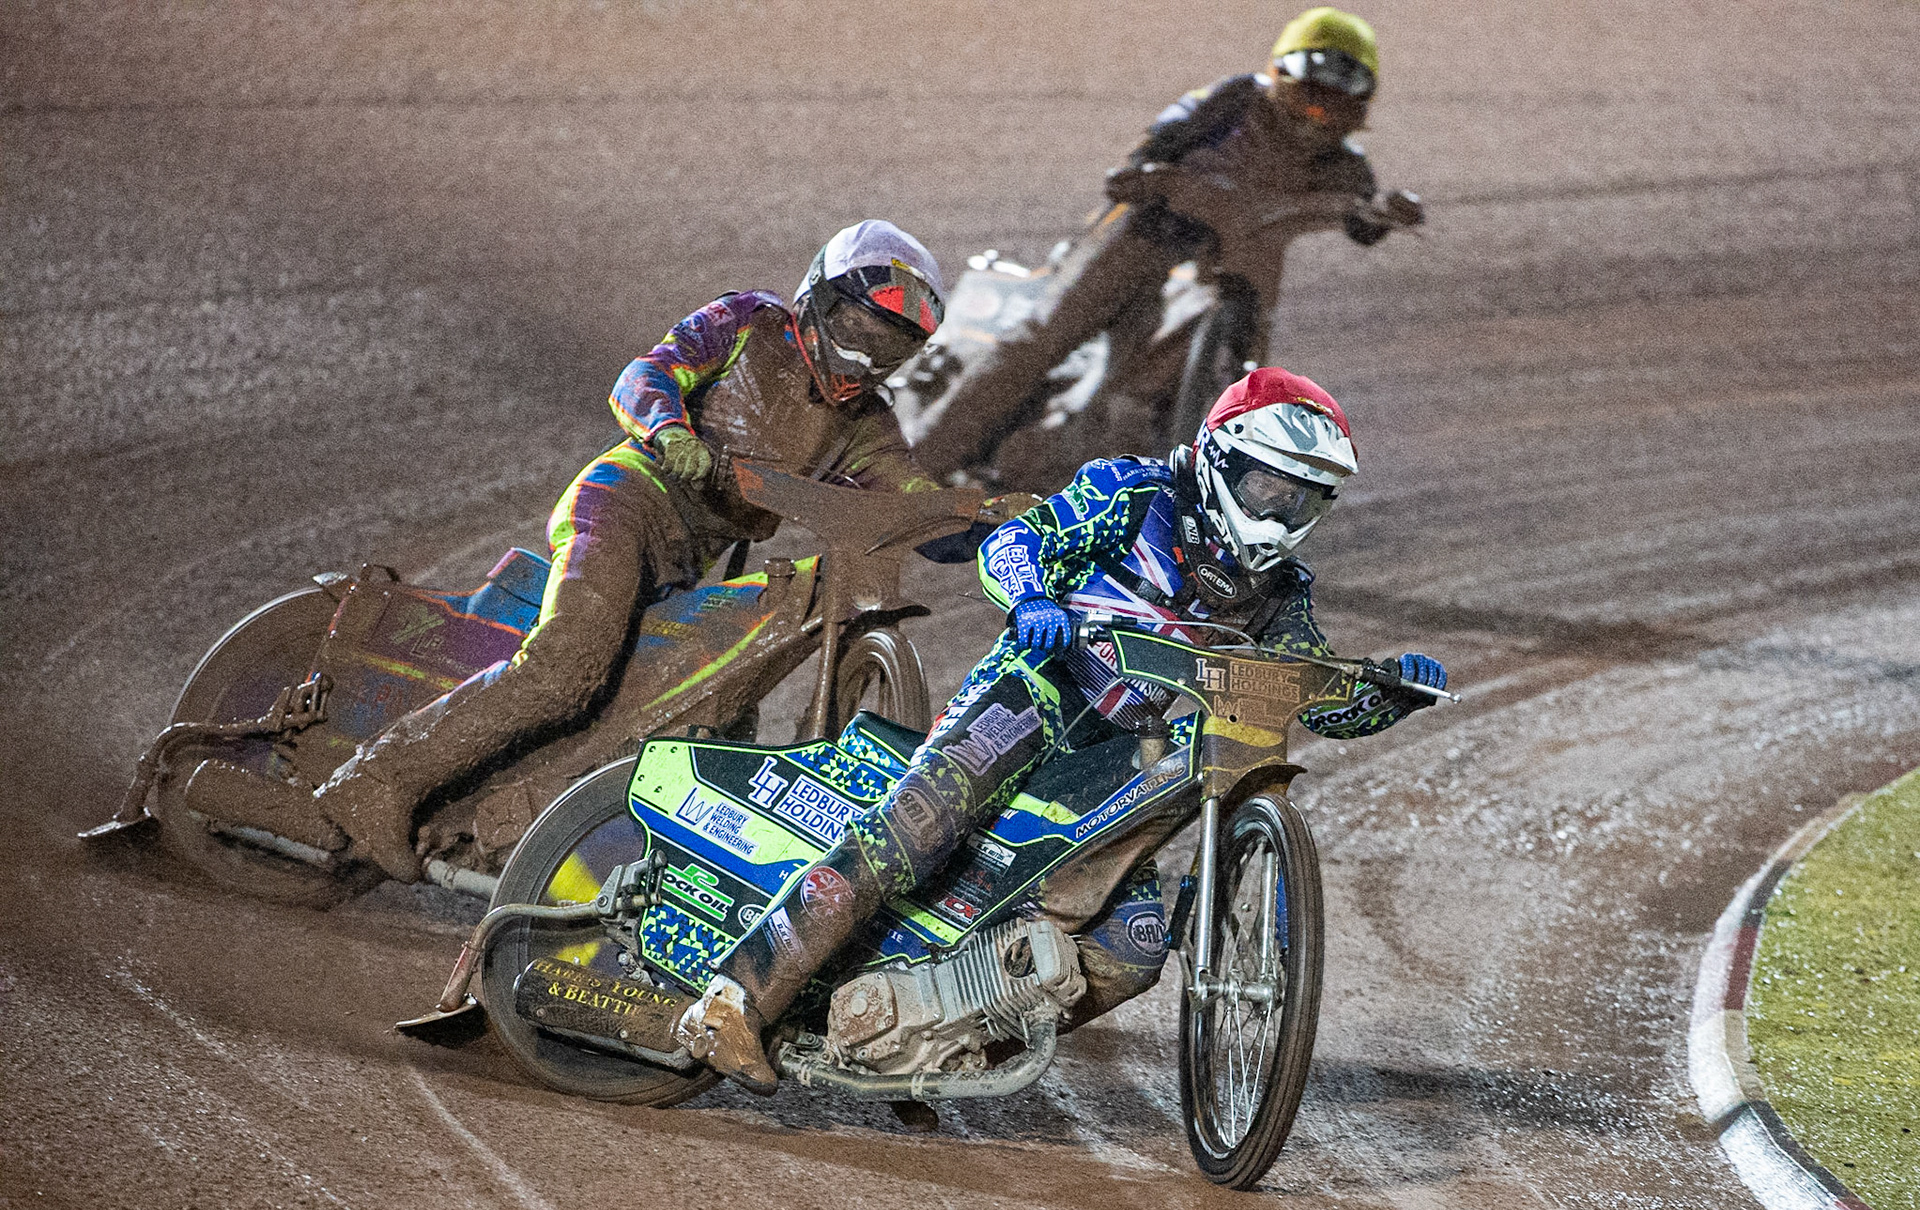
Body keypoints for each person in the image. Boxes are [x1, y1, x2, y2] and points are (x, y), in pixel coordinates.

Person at [678, 365, 1447, 1093]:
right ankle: (729, 1003)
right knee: (914, 830)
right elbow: (1019, 541)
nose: (1279, 516)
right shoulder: (1136, 491)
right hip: (1032, 693)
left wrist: (1390, 691)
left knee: (1136, 944)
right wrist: (1032, 601)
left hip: (1120, 753)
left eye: (1301, 501)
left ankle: (935, 1044)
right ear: (1220, 459)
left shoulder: (1281, 592)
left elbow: (1311, 695)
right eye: (1266, 489)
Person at [252, 221, 949, 881]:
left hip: (688, 560)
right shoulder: (749, 322)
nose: (866, 356)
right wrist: (670, 431)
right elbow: (645, 375)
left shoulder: (868, 425)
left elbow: (914, 499)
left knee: (704, 713)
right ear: (818, 299)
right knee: (568, 667)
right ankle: (372, 783)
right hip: (627, 499)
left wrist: (993, 524)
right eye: (859, 329)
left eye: (889, 347)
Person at [910, 6, 1419, 482]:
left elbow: (1363, 219)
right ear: (1282, 66)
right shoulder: (1235, 100)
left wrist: (1387, 214)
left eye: (1346, 79)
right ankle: (916, 470)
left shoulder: (1346, 165)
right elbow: (1167, 132)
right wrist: (1142, 170)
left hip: (1240, 268)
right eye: (1317, 69)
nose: (1325, 93)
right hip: (1152, 232)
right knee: (1043, 339)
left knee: (1246, 391)